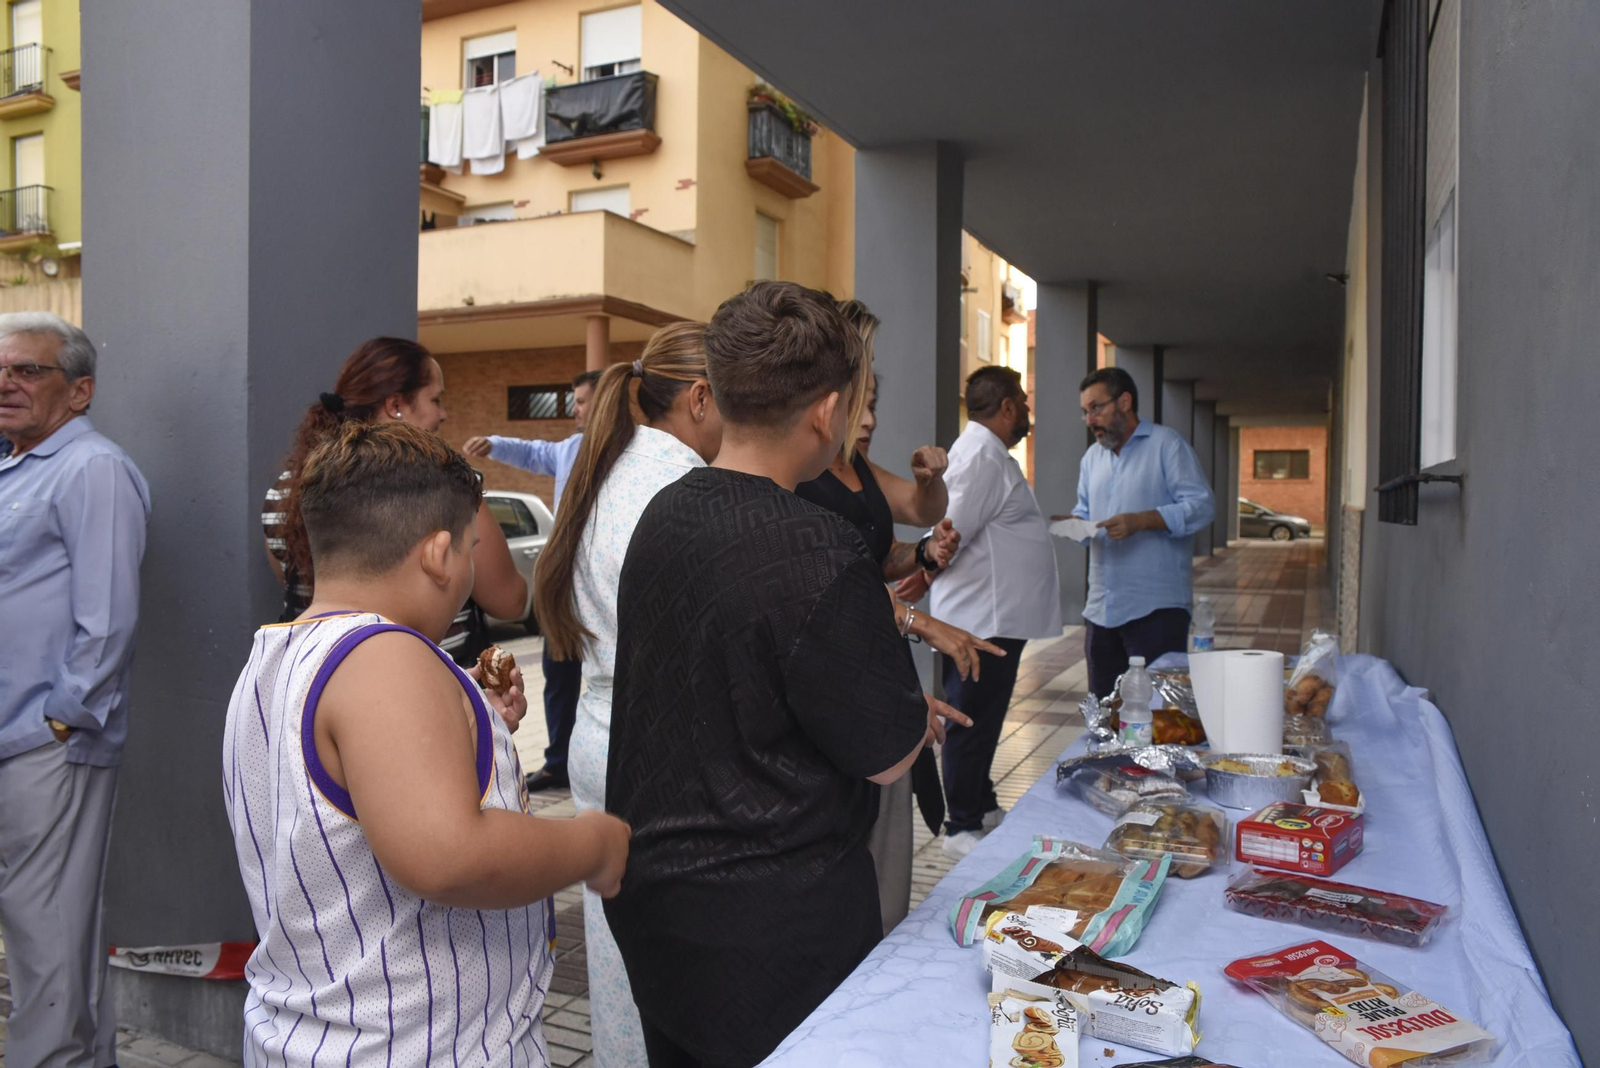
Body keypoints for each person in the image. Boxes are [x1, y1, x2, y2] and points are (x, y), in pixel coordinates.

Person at [604, 282, 967, 1068]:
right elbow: (888, 754)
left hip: (658, 900)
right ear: (827, 412)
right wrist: (911, 713)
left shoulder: (665, 514)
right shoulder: (816, 549)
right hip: (773, 924)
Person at [223, 420, 631, 1067]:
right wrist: (595, 842)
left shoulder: (279, 654)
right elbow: (448, 857)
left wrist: (465, 713)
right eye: (471, 547)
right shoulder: (385, 659)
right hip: (418, 1047)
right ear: (439, 554)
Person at [532, 323, 721, 1068]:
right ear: (702, 400)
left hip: (602, 740)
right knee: (665, 976)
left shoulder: (614, 469)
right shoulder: (680, 490)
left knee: (618, 970)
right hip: (655, 754)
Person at [795, 302, 1002, 932]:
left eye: (875, 397)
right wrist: (917, 621)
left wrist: (924, 536)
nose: (871, 417)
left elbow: (898, 529)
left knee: (883, 864)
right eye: (861, 397)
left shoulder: (853, 468)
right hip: (842, 684)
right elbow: (822, 588)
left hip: (875, 679)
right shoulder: (793, 482)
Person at [0, 312, 150, 1068]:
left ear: (80, 391)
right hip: (17, 737)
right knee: (44, 932)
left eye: (29, 371)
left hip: (47, 742)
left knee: (47, 929)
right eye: (1, 370)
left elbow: (109, 616)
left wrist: (61, 721)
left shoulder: (92, 468)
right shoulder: (17, 467)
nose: (7, 384)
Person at [263, 337, 527, 658]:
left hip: (320, 680)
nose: (443, 414)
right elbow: (509, 601)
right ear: (397, 406)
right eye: (436, 399)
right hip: (431, 681)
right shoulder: (445, 485)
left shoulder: (285, 490)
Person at [915, 366, 1061, 859]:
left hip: (995, 616)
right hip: (980, 620)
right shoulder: (978, 455)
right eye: (1022, 400)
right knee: (972, 720)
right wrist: (927, 561)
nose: (1026, 411)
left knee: (987, 716)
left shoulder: (989, 452)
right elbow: (948, 533)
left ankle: (981, 801)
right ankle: (961, 825)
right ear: (1005, 407)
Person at [465, 368, 602, 792]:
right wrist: (495, 444)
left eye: (580, 401)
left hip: (610, 587)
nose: (575, 410)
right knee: (559, 678)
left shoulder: (628, 449)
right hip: (567, 588)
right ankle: (558, 762)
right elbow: (533, 452)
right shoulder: (570, 450)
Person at [1069, 366, 1216, 698]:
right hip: (1101, 610)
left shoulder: (1167, 445)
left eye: (1096, 408)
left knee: (1157, 715)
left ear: (1124, 402)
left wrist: (1144, 520)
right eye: (1084, 412)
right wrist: (1076, 524)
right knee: (1106, 716)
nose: (1090, 419)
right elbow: (1084, 510)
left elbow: (1203, 505)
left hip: (1156, 611)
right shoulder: (1092, 458)